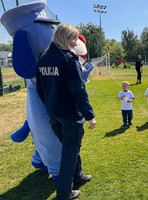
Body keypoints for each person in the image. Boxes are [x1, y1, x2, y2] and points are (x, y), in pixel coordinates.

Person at [36, 24, 96, 200]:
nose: (76, 42)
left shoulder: (44, 57)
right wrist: (90, 115)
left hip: (53, 114)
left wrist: (50, 106)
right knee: (69, 152)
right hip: (69, 115)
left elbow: (41, 89)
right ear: (65, 37)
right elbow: (78, 90)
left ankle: (78, 176)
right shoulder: (68, 59)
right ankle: (64, 192)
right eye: (74, 38)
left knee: (71, 148)